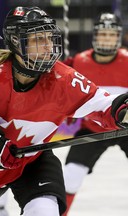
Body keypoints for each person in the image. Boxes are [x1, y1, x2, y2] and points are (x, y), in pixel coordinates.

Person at [0, 6, 128, 216]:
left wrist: (123, 111)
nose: (48, 47)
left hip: (33, 161)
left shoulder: (63, 79)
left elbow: (102, 104)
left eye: (50, 38)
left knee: (44, 211)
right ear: (16, 42)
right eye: (39, 39)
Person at [61, 12, 128, 216]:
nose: (106, 39)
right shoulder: (78, 62)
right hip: (92, 129)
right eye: (102, 34)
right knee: (70, 176)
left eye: (111, 35)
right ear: (94, 36)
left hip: (127, 129)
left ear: (118, 37)